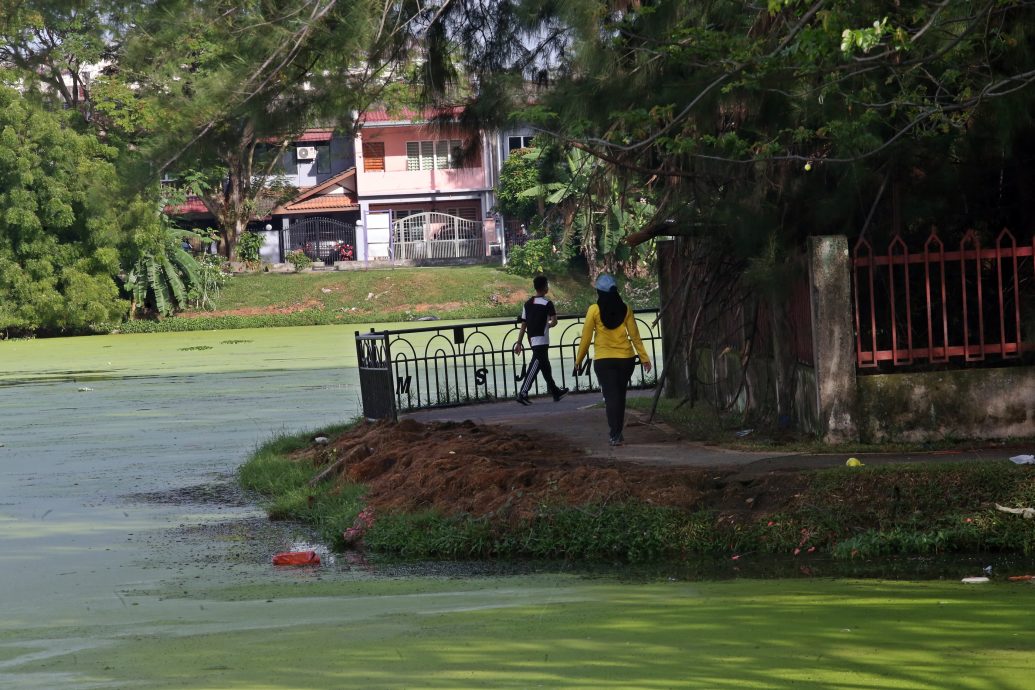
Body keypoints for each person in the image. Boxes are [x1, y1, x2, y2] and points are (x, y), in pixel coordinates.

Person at [572, 273, 652, 446]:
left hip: (603, 360)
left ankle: (615, 434)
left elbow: (585, 338)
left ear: (599, 292)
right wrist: (644, 358)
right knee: (620, 395)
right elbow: (635, 336)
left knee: (611, 397)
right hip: (626, 359)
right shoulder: (626, 308)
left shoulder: (594, 310)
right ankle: (617, 432)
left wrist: (578, 361)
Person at [513, 275, 569, 405]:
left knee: (545, 367)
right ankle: (523, 393)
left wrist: (519, 342)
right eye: (547, 285)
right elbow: (554, 322)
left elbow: (523, 325)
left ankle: (555, 392)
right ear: (545, 288)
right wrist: (547, 325)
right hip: (542, 340)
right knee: (536, 365)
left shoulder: (527, 304)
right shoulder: (547, 303)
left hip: (532, 339)